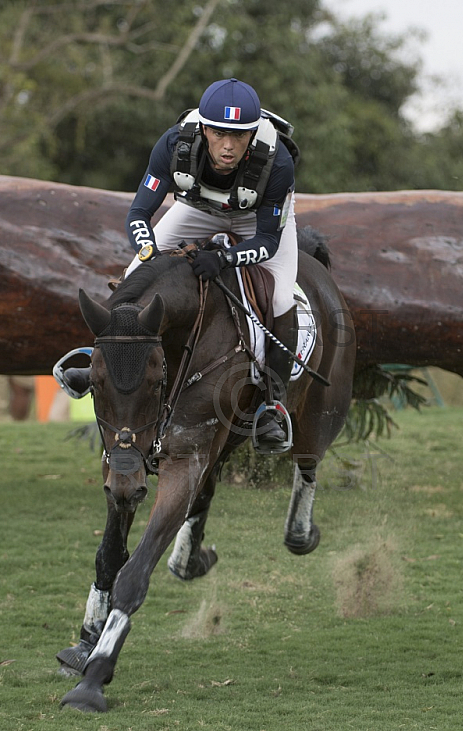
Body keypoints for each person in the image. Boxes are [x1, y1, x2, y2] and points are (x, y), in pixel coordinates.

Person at [124, 77, 299, 451]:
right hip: (197, 211)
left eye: (240, 136)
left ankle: (272, 405)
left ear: (253, 134)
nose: (228, 146)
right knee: (133, 273)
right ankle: (98, 359)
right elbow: (139, 213)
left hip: (256, 222)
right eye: (219, 133)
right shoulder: (173, 143)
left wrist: (223, 258)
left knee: (283, 297)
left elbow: (268, 241)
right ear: (203, 128)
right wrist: (149, 254)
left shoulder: (278, 160)